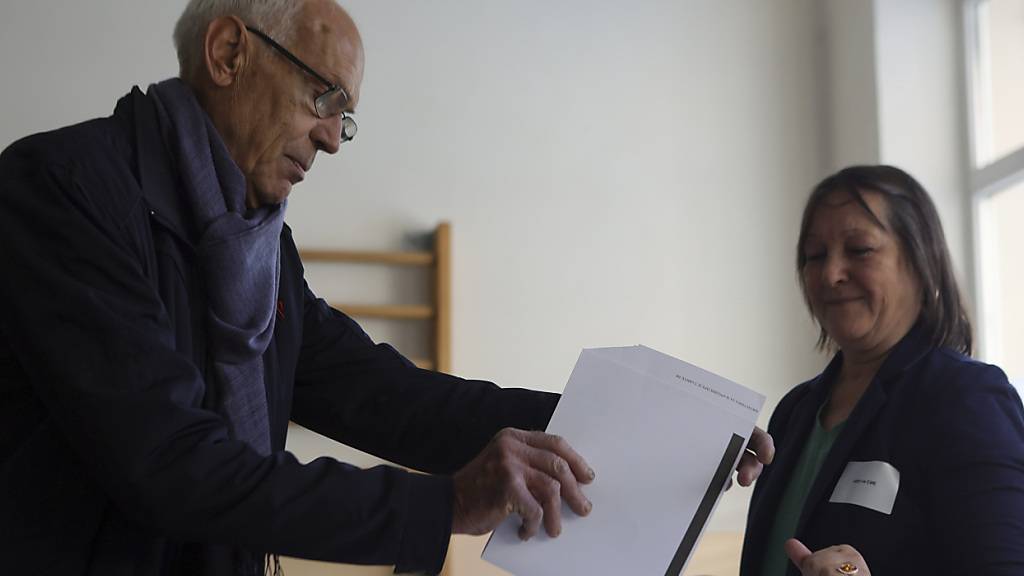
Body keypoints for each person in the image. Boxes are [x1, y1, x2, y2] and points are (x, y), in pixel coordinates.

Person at [0, 1, 772, 574]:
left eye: (347, 117)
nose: (334, 138)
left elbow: (391, 399)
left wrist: (649, 428)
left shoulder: (261, 249)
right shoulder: (61, 190)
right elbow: (170, 463)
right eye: (324, 98)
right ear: (230, 51)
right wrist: (442, 506)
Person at [740, 165, 1024, 575]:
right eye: (814, 255)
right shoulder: (794, 411)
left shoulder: (966, 397)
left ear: (921, 262)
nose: (830, 273)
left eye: (859, 250)